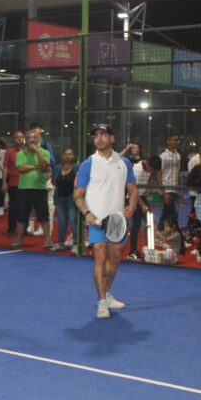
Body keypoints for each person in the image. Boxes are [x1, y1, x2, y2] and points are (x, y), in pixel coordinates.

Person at [74, 123, 139, 319]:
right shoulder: (88, 164)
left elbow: (133, 190)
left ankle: (107, 293)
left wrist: (132, 206)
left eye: (103, 134)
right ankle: (102, 302)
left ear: (112, 138)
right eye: (96, 136)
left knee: (115, 260)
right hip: (96, 221)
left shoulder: (124, 163)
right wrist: (87, 214)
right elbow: (77, 195)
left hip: (117, 222)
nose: (99, 138)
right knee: (100, 259)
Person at [11, 127, 52, 249]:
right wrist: (36, 166)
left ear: (39, 139)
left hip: (40, 188)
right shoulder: (21, 153)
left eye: (34, 137)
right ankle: (19, 239)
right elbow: (21, 169)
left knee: (44, 216)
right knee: (21, 215)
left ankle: (48, 240)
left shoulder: (45, 153)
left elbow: (44, 167)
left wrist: (38, 152)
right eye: (29, 138)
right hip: (24, 189)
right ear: (26, 140)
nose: (32, 140)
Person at [52, 147, 79, 252]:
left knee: (73, 221)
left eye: (70, 154)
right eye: (66, 154)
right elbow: (53, 180)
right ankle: (60, 243)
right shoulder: (57, 168)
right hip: (59, 198)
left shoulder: (77, 168)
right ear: (62, 156)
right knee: (62, 221)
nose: (67, 156)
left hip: (72, 198)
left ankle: (76, 244)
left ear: (74, 156)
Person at [158, 133, 183, 241]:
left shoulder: (178, 156)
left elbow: (178, 173)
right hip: (167, 190)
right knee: (171, 213)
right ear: (168, 141)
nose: (177, 142)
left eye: (177, 140)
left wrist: (179, 190)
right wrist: (163, 192)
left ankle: (161, 234)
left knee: (167, 213)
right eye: (175, 140)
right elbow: (159, 174)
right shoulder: (163, 156)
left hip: (175, 189)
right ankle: (177, 236)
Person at [3, 130, 25, 236]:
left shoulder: (28, 151)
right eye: (17, 137)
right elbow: (6, 168)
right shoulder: (9, 152)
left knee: (25, 208)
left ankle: (24, 229)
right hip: (13, 183)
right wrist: (4, 182)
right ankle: (11, 229)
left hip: (26, 184)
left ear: (24, 138)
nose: (19, 139)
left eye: (21, 137)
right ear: (14, 139)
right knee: (13, 208)